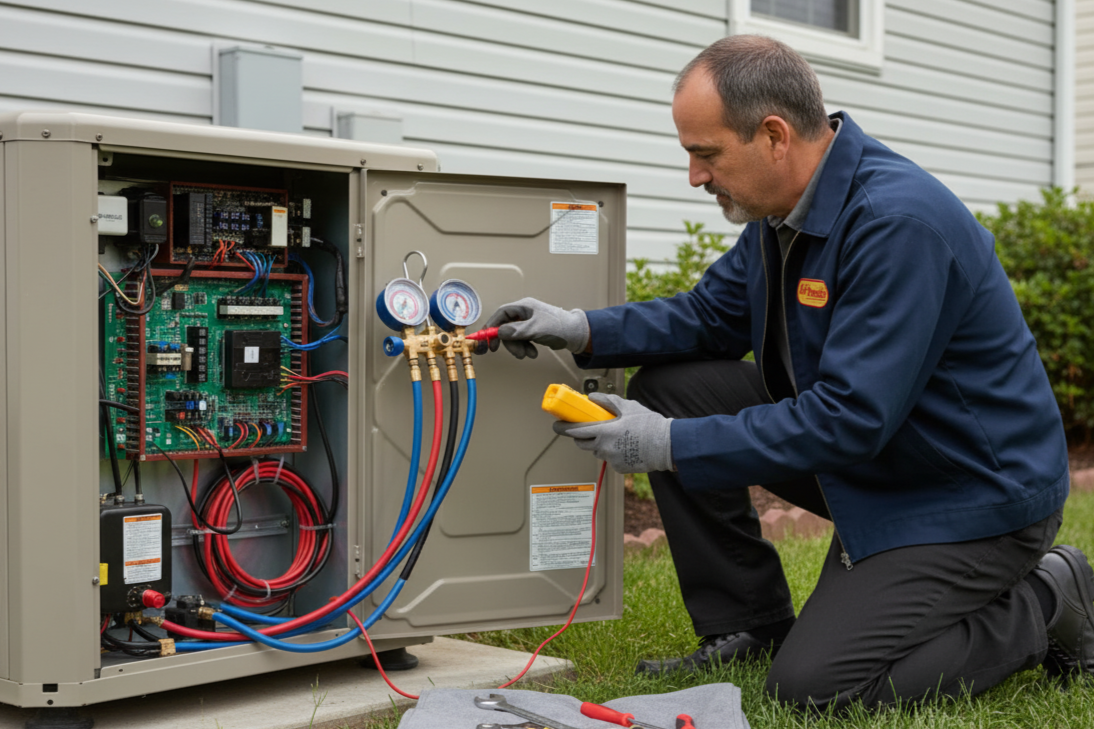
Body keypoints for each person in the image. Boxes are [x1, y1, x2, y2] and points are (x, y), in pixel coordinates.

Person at [483, 35, 1094, 710]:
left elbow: (848, 417)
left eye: (705, 153)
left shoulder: (897, 225)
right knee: (672, 390)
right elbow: (710, 315)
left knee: (815, 688)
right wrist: (583, 328)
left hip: (964, 494)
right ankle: (747, 621)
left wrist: (669, 444)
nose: (694, 175)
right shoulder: (786, 211)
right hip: (887, 459)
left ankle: (1047, 597)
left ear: (773, 135)